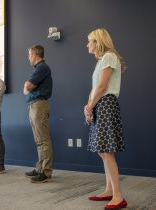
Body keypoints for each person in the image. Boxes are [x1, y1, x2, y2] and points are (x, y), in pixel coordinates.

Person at [84, 28, 127, 210]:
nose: (87, 45)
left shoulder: (109, 56)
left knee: (107, 151)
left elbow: (102, 87)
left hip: (106, 104)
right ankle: (109, 190)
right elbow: (95, 88)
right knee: (103, 150)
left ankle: (118, 196)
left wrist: (90, 106)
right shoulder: (102, 60)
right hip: (99, 104)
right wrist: (88, 106)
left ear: (98, 42)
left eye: (90, 41)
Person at [23, 45, 53, 183]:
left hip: (39, 105)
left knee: (43, 140)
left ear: (35, 54)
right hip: (34, 105)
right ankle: (40, 168)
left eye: (29, 54)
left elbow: (27, 86)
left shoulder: (42, 67)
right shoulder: (39, 68)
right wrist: (27, 87)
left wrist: (27, 86)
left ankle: (46, 172)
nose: (28, 57)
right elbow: (27, 88)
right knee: (39, 140)